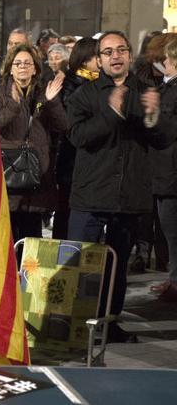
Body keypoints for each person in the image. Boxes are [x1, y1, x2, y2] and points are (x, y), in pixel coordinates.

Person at [66, 30, 173, 343]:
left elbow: (165, 138)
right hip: (90, 195)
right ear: (98, 59)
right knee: (80, 265)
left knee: (117, 269)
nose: (116, 56)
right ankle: (75, 326)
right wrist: (111, 114)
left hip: (128, 196)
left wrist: (153, 118)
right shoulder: (84, 95)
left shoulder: (147, 90)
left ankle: (109, 324)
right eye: (109, 51)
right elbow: (78, 137)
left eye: (121, 50)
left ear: (129, 55)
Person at [0, 44, 68, 243]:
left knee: (31, 237)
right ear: (10, 68)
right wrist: (13, 107)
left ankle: (27, 274)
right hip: (8, 171)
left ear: (35, 68)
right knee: (6, 237)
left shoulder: (45, 92)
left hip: (38, 174)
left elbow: (63, 125)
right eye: (18, 63)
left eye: (28, 63)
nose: (22, 67)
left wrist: (51, 102)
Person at [52, 37, 99, 240]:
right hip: (71, 158)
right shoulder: (70, 83)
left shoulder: (100, 81)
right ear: (85, 59)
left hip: (93, 160)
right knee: (67, 211)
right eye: (98, 55)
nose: (101, 60)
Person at [149, 39, 177, 301]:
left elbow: (161, 129)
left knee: (171, 231)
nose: (164, 63)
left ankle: (175, 282)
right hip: (167, 171)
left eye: (168, 59)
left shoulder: (170, 91)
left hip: (170, 172)